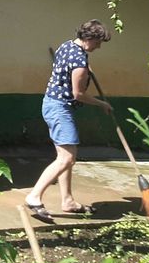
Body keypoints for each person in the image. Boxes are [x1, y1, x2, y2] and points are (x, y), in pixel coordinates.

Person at [25, 19, 113, 223]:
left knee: (64, 157)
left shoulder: (67, 46)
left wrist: (86, 69)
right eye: (98, 42)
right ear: (89, 38)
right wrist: (102, 104)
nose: (99, 47)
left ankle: (68, 201)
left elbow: (71, 68)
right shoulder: (79, 60)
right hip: (60, 109)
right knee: (67, 159)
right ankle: (34, 196)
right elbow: (78, 94)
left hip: (51, 104)